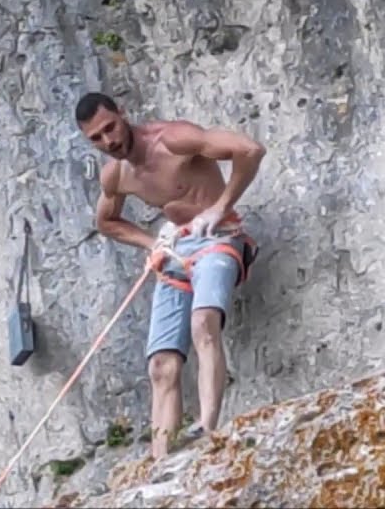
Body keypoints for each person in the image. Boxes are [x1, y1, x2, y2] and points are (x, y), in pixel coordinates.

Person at [74, 91, 265, 460]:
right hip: (177, 251)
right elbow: (106, 222)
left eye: (110, 127)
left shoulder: (173, 139)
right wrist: (152, 244)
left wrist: (219, 208)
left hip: (217, 237)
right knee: (161, 366)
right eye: (96, 138)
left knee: (203, 323)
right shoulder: (116, 175)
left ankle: (208, 428)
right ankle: (161, 461)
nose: (109, 141)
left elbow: (250, 150)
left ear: (122, 113)